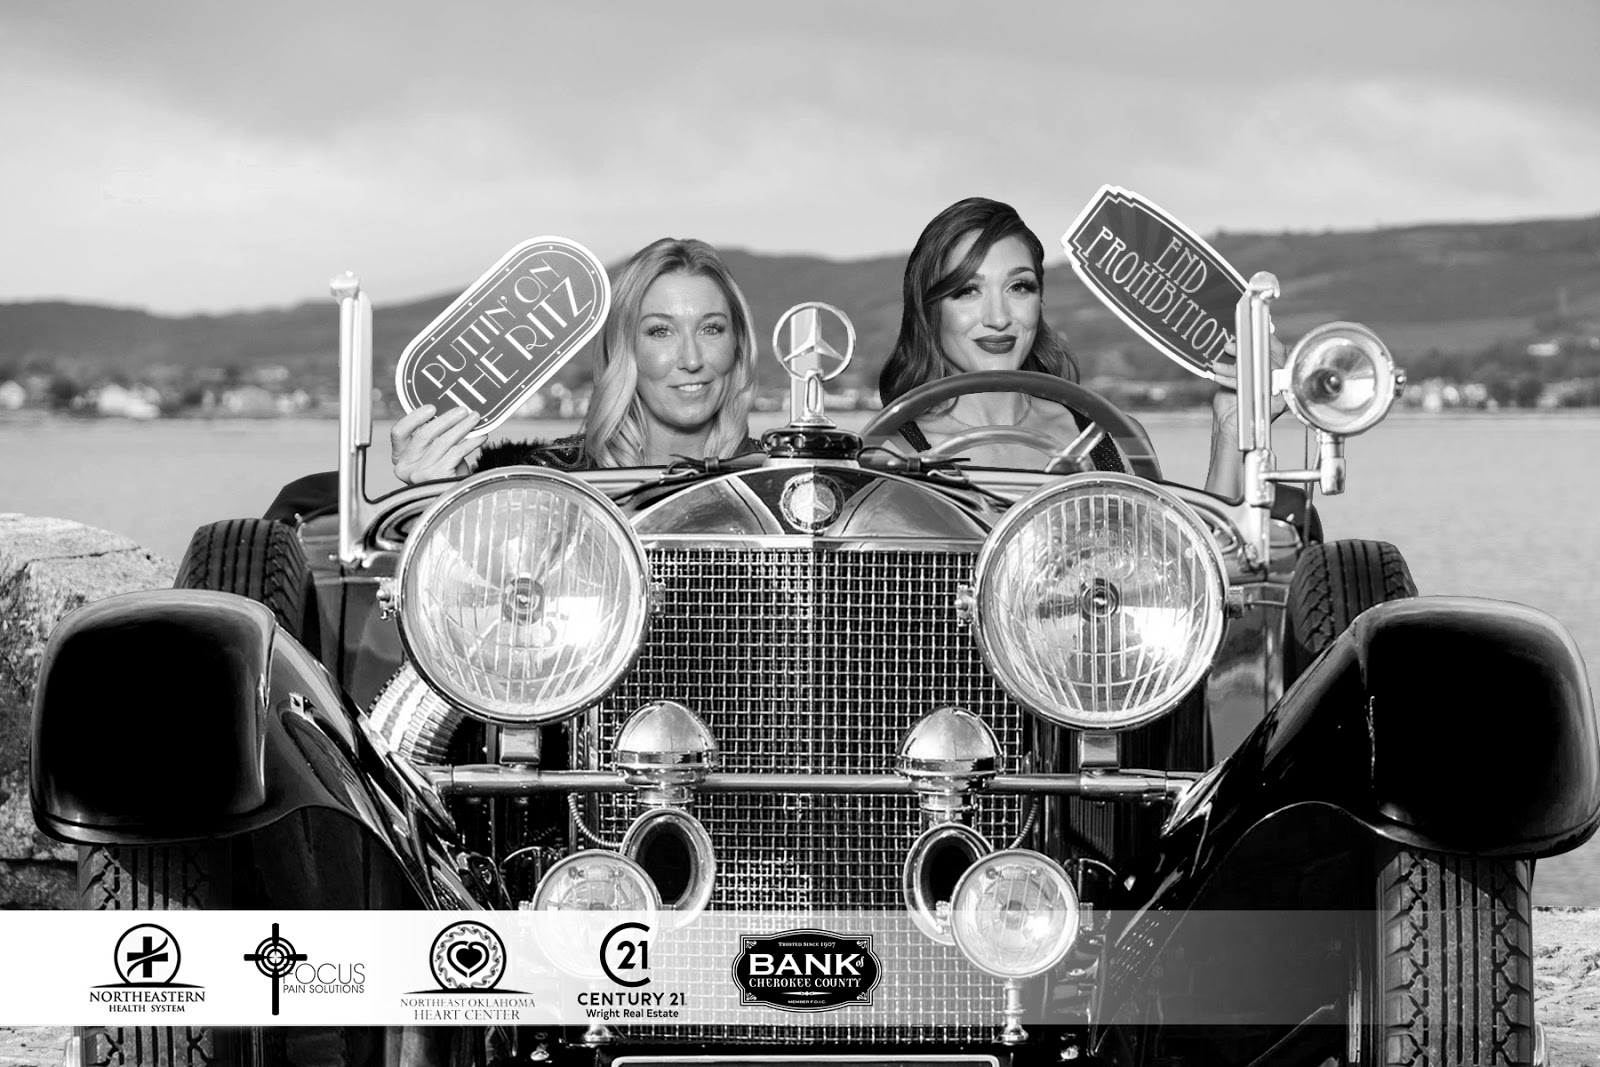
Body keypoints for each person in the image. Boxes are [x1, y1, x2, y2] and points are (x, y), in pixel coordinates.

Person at [879, 197, 1279, 495]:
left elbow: (1187, 571)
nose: (998, 317)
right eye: (967, 291)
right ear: (928, 309)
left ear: (1039, 299)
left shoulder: (1112, 441)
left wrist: (1232, 427)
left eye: (1019, 287)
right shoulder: (888, 456)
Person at [390, 237, 759, 480]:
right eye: (660, 331)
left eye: (711, 329)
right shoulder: (541, 482)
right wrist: (448, 501)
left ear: (738, 345)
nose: (691, 359)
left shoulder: (781, 480)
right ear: (621, 348)